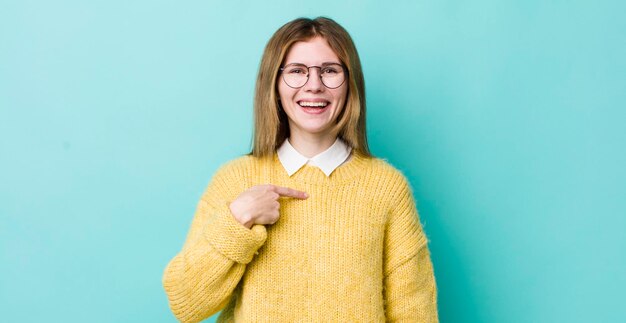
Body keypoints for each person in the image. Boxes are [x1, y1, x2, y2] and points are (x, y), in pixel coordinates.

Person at [162, 17, 438, 322]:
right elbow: (186, 303)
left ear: (350, 83)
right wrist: (239, 218)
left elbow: (415, 312)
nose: (314, 85)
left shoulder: (386, 188)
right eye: (297, 72)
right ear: (275, 83)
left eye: (330, 71)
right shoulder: (235, 180)